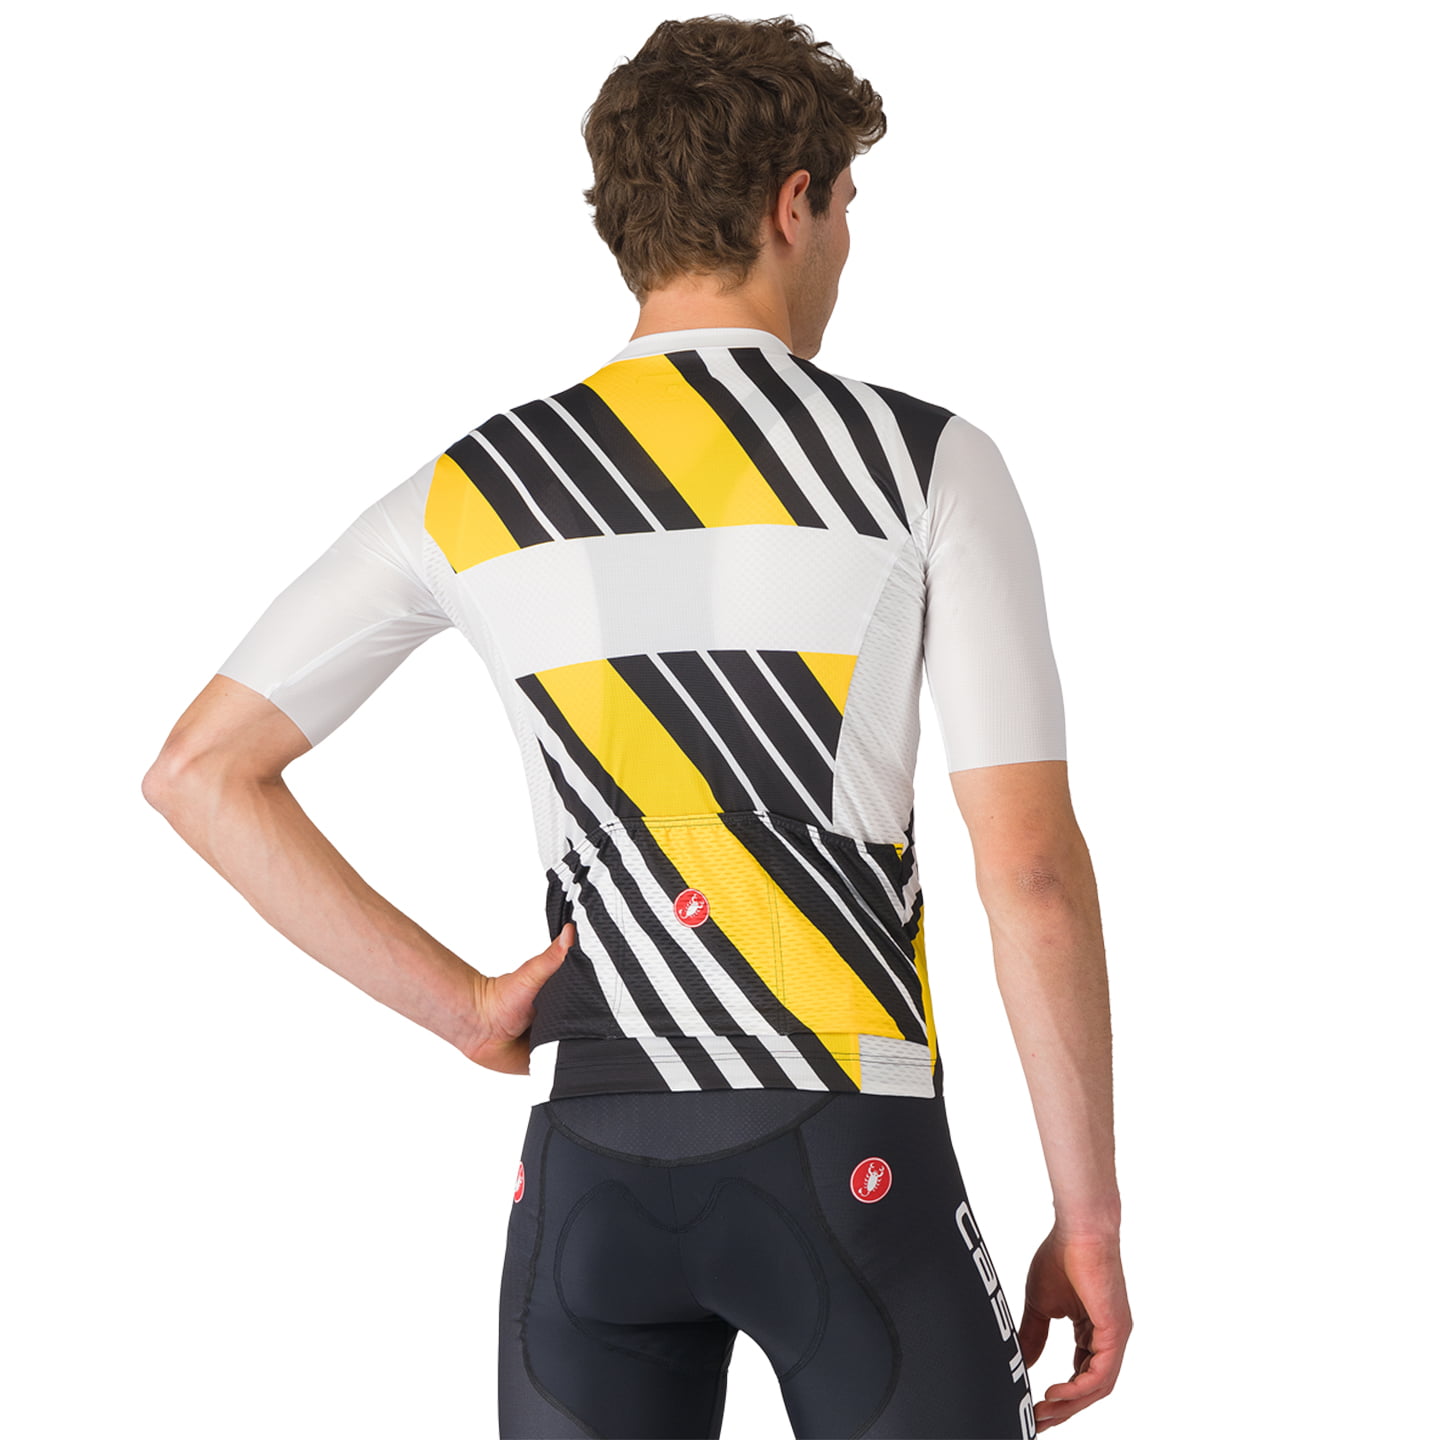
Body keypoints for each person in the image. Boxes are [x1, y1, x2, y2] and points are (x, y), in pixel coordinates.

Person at [142, 15, 1131, 1438]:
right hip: (847, 1140)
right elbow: (1030, 870)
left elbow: (199, 774)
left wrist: (464, 1007)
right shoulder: (923, 464)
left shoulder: (476, 487)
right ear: (794, 201)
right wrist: (1087, 1218)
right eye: (848, 204)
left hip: (592, 1157)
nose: (847, 246)